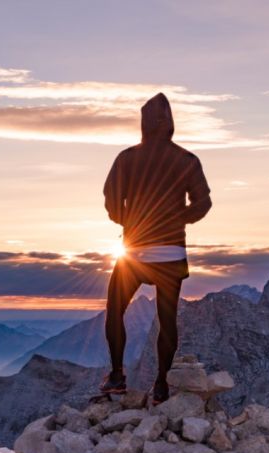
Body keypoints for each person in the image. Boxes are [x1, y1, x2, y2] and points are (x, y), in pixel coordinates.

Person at [100, 92, 212, 405]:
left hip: (134, 253)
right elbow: (203, 203)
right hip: (172, 254)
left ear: (144, 123)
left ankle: (117, 375)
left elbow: (111, 201)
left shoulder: (127, 159)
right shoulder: (187, 160)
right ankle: (161, 385)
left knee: (115, 311)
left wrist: (129, 222)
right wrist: (180, 220)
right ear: (171, 123)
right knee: (167, 319)